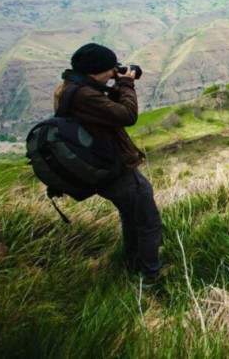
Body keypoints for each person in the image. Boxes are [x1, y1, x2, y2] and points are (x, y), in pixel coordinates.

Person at [54, 43, 163, 283]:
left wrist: (114, 86)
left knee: (130, 216)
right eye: (110, 68)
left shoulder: (69, 89)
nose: (114, 71)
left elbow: (105, 113)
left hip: (99, 169)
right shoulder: (83, 95)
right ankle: (151, 278)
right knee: (149, 223)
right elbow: (127, 116)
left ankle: (132, 264)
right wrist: (126, 83)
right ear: (94, 71)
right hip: (115, 169)